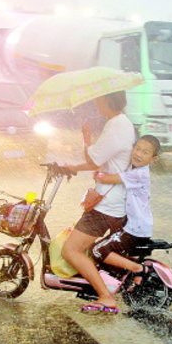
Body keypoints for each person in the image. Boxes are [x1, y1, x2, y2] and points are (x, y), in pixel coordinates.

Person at [63, 90, 136, 314]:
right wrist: (70, 167)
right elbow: (103, 162)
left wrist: (85, 136)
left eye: (98, 99)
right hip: (114, 199)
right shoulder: (121, 124)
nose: (96, 103)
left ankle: (105, 297)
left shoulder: (116, 126)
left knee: (71, 250)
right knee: (91, 248)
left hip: (106, 205)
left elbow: (93, 158)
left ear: (107, 101)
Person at [90, 135, 160, 291]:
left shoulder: (139, 174)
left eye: (145, 152)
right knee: (105, 249)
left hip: (134, 229)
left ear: (153, 159)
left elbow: (109, 179)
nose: (139, 154)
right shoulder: (134, 168)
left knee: (97, 250)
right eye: (137, 149)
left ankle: (138, 269)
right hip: (133, 225)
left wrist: (99, 174)